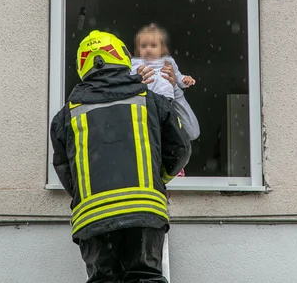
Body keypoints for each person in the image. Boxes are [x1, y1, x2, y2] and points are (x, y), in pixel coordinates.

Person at [50, 30, 192, 283]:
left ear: (83, 64)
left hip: (94, 218)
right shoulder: (152, 102)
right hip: (144, 212)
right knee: (144, 277)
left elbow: (65, 169)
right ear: (123, 58)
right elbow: (180, 149)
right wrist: (158, 178)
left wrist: (86, 195)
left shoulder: (65, 116)